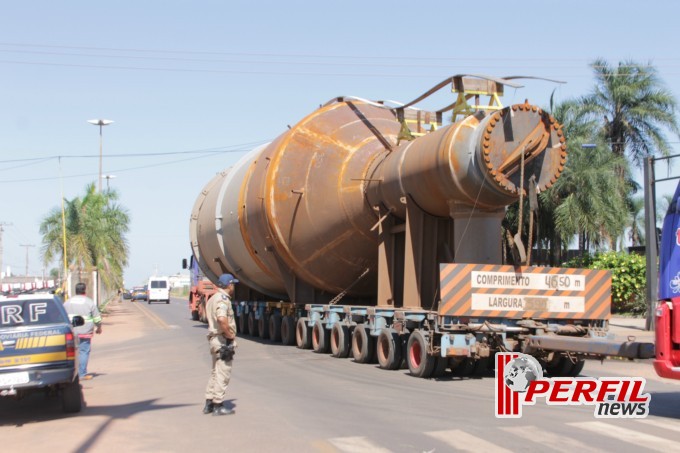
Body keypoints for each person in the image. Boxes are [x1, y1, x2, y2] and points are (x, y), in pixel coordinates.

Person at [203, 273, 238, 416]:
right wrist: (230, 336)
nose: (234, 286)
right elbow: (222, 319)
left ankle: (209, 403)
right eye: (233, 283)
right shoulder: (223, 300)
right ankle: (218, 405)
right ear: (229, 285)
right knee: (223, 372)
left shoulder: (213, 298)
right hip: (222, 340)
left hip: (214, 340)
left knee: (215, 372)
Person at [63, 282, 102, 380]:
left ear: (75, 291)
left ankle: (71, 374)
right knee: (84, 352)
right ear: (85, 290)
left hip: (71, 332)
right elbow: (97, 317)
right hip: (85, 332)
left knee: (72, 353)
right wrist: (99, 327)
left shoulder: (67, 302)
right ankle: (82, 374)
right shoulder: (89, 302)